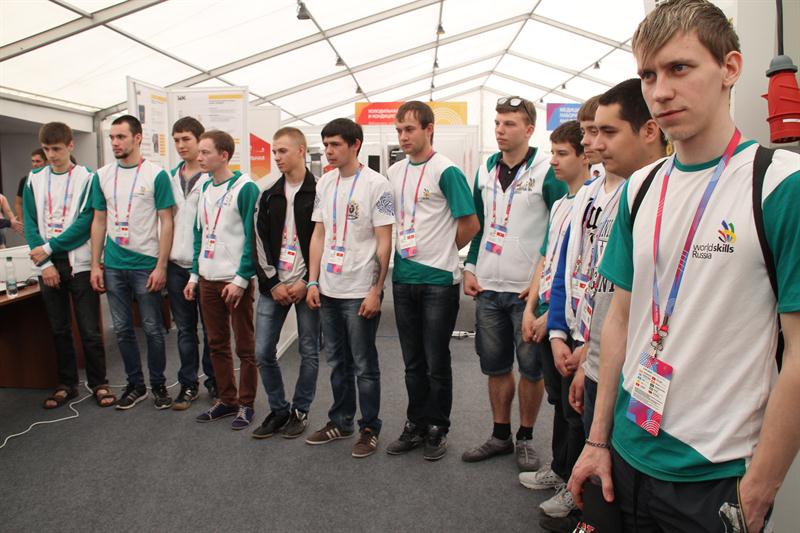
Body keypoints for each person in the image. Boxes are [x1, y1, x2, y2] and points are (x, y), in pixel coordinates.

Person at [569, 2, 800, 532]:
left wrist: (759, 488)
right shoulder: (641, 187)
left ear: (730, 68)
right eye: (649, 75)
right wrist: (597, 440)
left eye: (680, 68)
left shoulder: (778, 184)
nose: (661, 91)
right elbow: (621, 319)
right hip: (625, 453)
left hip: (714, 474)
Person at [544, 81, 667, 523]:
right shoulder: (599, 195)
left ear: (648, 131)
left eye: (605, 132)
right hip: (599, 352)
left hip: (646, 371)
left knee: (627, 476)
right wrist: (568, 337)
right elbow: (576, 271)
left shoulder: (655, 193)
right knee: (600, 461)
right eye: (589, 131)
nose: (592, 143)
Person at [461, 96, 567, 472]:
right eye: (497, 123)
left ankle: (525, 437)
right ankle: (500, 435)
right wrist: (470, 266)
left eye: (509, 123)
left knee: (531, 369)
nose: (500, 130)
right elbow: (480, 226)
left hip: (526, 291)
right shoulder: (484, 170)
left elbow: (559, 231)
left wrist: (541, 285)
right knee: (495, 366)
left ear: (529, 129)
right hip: (488, 286)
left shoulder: (547, 170)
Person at [385, 101, 479, 461]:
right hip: (403, 277)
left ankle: (438, 426)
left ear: (429, 129)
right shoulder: (394, 172)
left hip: (439, 281)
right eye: (399, 130)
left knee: (436, 360)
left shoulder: (447, 170)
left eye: (409, 129)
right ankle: (416, 423)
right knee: (412, 362)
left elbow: (470, 223)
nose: (403, 136)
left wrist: (443, 250)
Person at [304, 118, 394, 459]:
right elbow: (319, 235)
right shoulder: (325, 183)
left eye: (335, 144)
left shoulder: (378, 185)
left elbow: (384, 242)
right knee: (337, 361)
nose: (328, 151)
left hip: (359, 290)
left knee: (363, 363)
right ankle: (340, 421)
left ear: (355, 144)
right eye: (326, 144)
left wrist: (376, 290)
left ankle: (369, 427)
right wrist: (313, 280)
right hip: (329, 287)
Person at [518, 121, 589, 527]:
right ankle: (561, 469)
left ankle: (573, 483)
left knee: (576, 408)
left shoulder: (591, 203)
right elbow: (546, 260)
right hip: (549, 314)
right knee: (559, 402)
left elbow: (583, 271)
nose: (554, 161)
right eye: (553, 152)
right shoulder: (561, 203)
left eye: (562, 154)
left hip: (568, 323)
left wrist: (552, 319)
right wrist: (531, 308)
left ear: (583, 155)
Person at [23, 122, 113, 408]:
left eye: (57, 149)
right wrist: (45, 263)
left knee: (89, 329)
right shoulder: (34, 179)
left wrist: (48, 248)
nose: (51, 155)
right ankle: (67, 384)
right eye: (46, 149)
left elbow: (85, 223)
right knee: (59, 328)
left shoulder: (87, 178)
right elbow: (30, 223)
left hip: (79, 263)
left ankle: (99, 383)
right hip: (48, 265)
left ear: (70, 146)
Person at [89, 114, 175, 410]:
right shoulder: (101, 176)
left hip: (146, 263)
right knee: (123, 329)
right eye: (112, 137)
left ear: (137, 138)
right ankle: (135, 385)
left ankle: (158, 385)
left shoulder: (155, 175)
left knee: (152, 328)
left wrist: (161, 266)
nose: (115, 142)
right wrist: (96, 264)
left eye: (121, 137)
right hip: (114, 264)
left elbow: (166, 221)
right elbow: (99, 220)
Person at [186, 130, 260, 430]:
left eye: (205, 152)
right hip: (207, 277)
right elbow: (200, 234)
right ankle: (227, 399)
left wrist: (242, 279)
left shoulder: (246, 188)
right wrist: (194, 275)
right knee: (216, 343)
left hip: (234, 280)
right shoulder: (204, 187)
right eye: (199, 152)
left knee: (245, 346)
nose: (199, 157)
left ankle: (247, 403)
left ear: (224, 155)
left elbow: (252, 238)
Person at [252, 127, 320, 440]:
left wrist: (309, 281)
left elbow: (327, 240)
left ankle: (300, 410)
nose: (277, 157)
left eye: (282, 151)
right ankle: (279, 409)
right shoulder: (267, 194)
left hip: (308, 287)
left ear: (301, 150)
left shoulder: (320, 192)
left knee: (309, 351)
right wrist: (272, 283)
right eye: (274, 152)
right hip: (274, 286)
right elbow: (258, 241)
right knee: (263, 351)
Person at [167, 116, 216, 409]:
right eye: (176, 140)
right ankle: (188, 384)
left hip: (207, 267)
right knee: (185, 330)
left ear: (200, 140)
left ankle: (215, 382)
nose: (181, 145)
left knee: (211, 330)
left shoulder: (212, 179)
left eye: (186, 139)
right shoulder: (169, 178)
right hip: (176, 266)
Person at [15, 148, 47, 224]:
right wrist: (21, 221)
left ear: (46, 162)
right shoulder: (26, 180)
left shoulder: (50, 180)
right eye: (33, 161)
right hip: (32, 221)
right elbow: (18, 203)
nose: (35, 164)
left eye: (38, 161)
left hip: (48, 220)